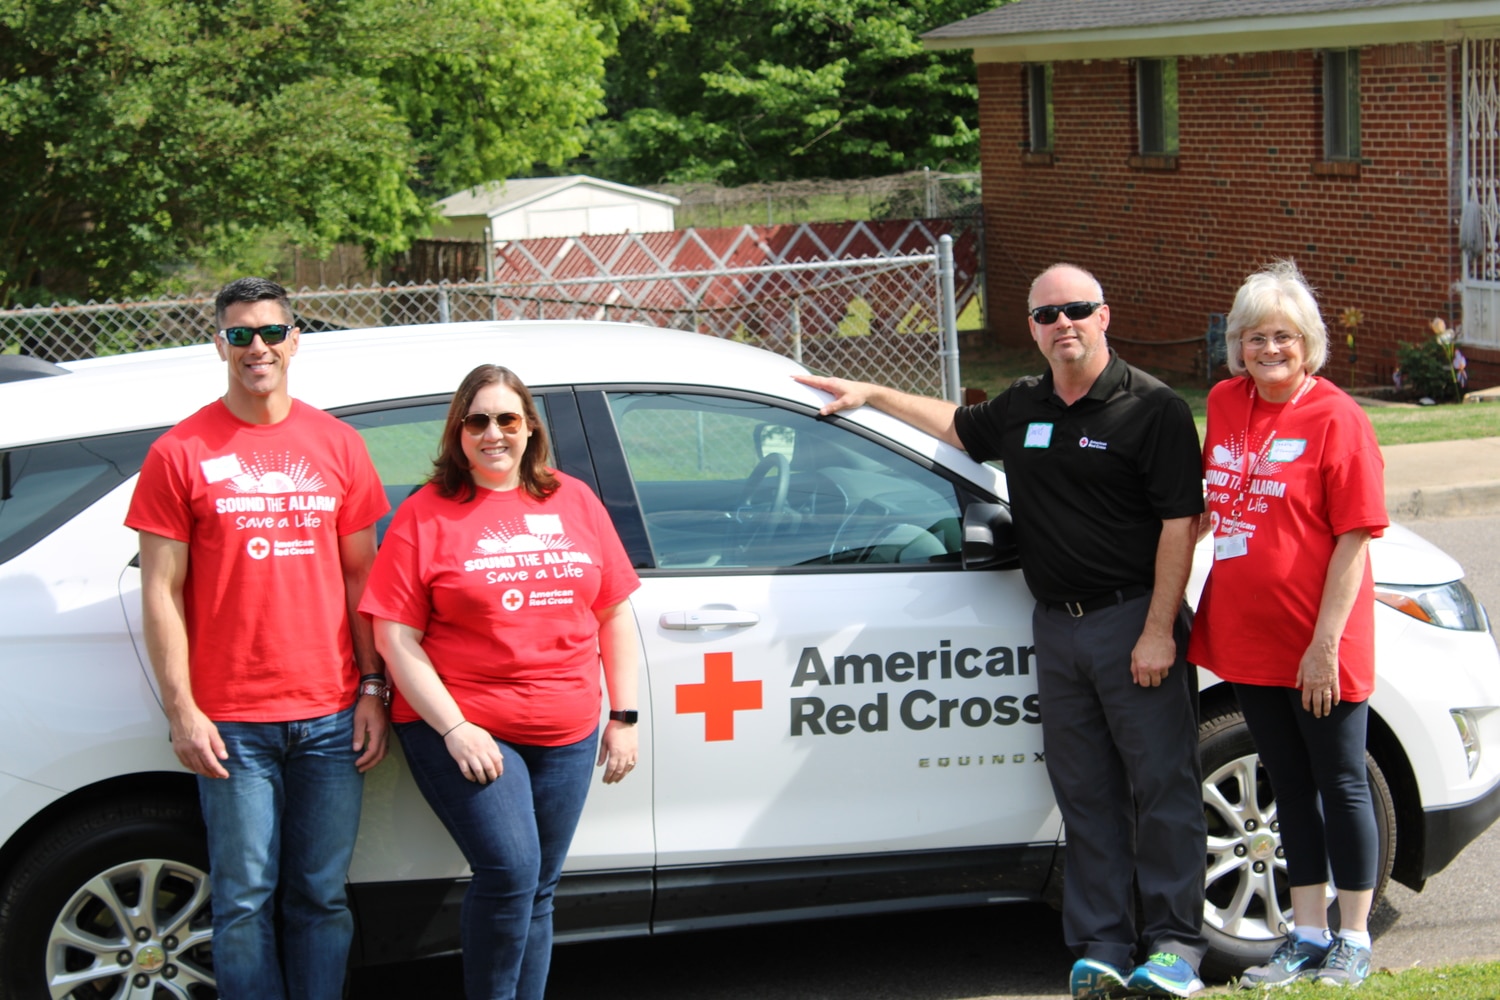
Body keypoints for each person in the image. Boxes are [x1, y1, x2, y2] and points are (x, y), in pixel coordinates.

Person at [795, 263, 1208, 999]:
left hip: (1131, 622)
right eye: (1048, 315)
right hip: (1056, 630)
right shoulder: (1025, 404)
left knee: (1162, 788)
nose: (1064, 325)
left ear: (1104, 315)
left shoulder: (1154, 409)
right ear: (1032, 328)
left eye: (1077, 309)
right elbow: (956, 425)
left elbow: (1183, 524)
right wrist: (873, 394)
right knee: (1084, 794)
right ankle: (1104, 944)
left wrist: (1157, 631)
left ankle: (1175, 945)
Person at [126, 277, 391, 999]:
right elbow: (161, 592)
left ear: (295, 339)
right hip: (231, 724)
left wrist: (373, 688)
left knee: (321, 897)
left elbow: (360, 580)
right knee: (243, 904)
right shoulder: (178, 453)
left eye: (271, 332)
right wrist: (183, 710)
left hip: (332, 716)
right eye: (240, 334)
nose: (257, 348)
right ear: (218, 344)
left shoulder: (337, 444)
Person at [360, 363, 641, 1000]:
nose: (494, 433)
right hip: (464, 725)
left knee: (538, 886)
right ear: (458, 433)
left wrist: (622, 718)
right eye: (478, 420)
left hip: (567, 729)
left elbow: (614, 611)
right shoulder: (425, 514)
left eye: (507, 419)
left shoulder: (573, 499)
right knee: (511, 872)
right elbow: (393, 636)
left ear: (530, 428)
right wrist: (456, 728)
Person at [1187, 261, 1388, 989]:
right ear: (1235, 344)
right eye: (1253, 337)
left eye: (1283, 336)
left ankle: (1354, 938)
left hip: (1316, 642)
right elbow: (1226, 500)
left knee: (1341, 781)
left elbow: (1356, 537)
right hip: (1247, 633)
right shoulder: (1225, 400)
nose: (1268, 349)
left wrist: (1324, 647)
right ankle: (1304, 934)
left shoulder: (1338, 417)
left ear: (1308, 343)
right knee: (1286, 783)